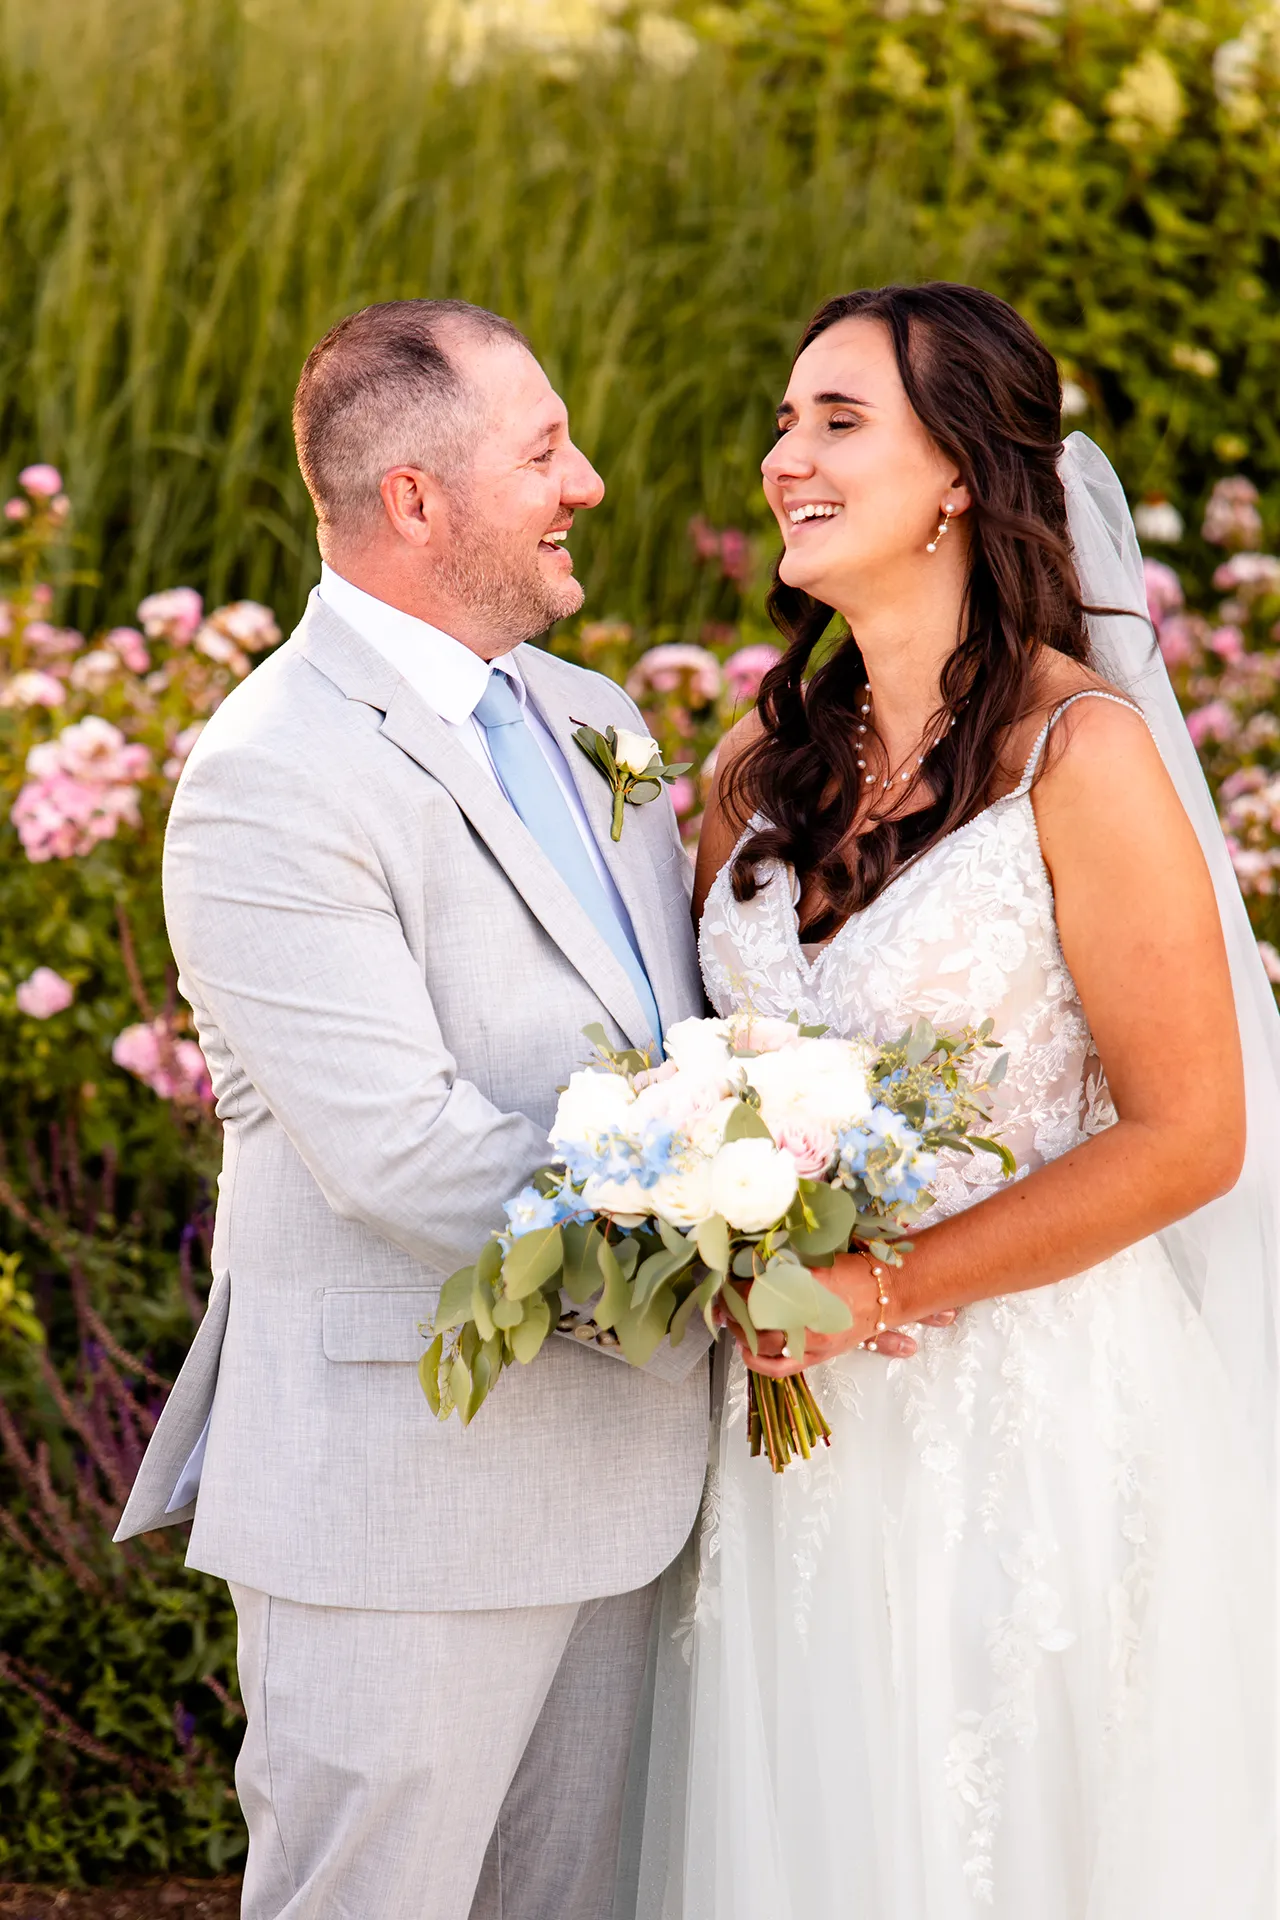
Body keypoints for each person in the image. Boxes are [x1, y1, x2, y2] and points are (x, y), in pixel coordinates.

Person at [633, 283, 1277, 1919]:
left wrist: (881, 1284)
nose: (787, 455)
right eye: (785, 420)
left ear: (966, 478)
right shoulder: (754, 769)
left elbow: (1193, 1135)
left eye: (839, 420)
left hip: (1030, 1424)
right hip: (799, 1444)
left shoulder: (1084, 754)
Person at [113, 298, 712, 1920]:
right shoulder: (270, 774)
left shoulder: (598, 721)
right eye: (545, 451)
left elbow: (678, 1035)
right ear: (418, 502)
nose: (587, 481)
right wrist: (731, 1262)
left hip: (631, 1487)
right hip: (405, 1496)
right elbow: (407, 1155)